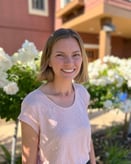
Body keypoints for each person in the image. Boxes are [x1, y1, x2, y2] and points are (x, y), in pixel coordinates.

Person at [18, 28, 96, 164]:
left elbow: (87, 140)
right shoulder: (34, 103)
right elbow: (28, 160)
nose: (69, 62)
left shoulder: (82, 93)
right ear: (48, 60)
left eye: (76, 54)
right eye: (60, 55)